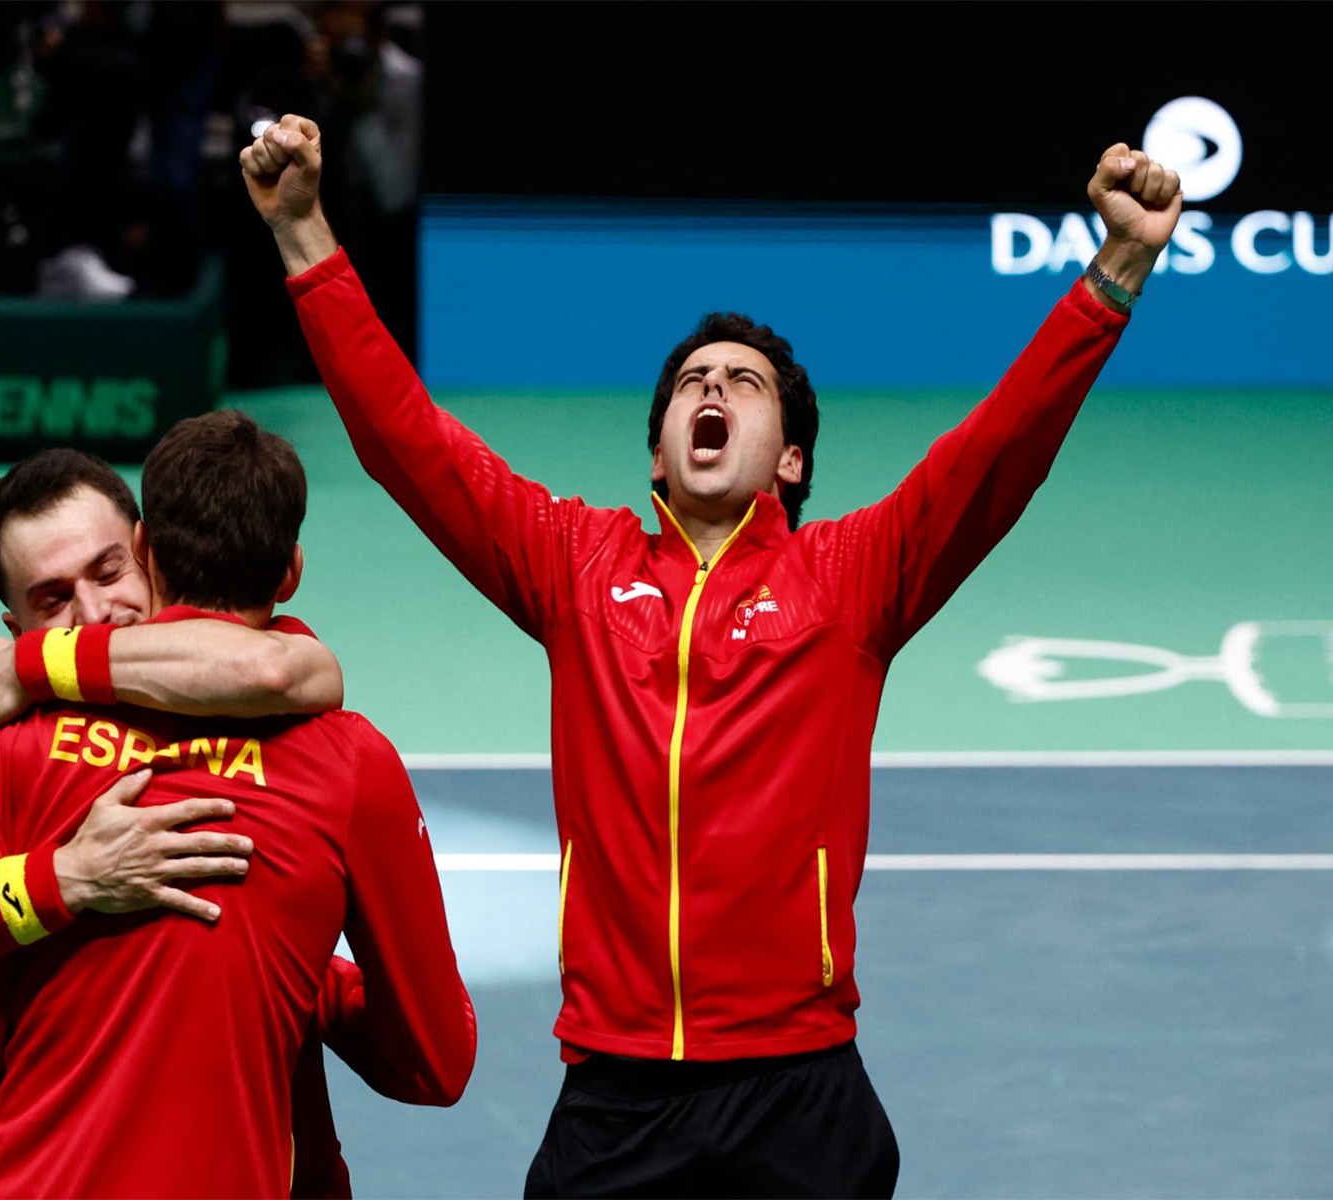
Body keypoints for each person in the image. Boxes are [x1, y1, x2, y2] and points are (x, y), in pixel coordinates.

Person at [241, 115, 1182, 1196]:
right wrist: (304, 232)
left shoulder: (850, 579)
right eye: (693, 380)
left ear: (790, 460)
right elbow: (407, 439)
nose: (712, 390)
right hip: (616, 1088)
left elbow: (1000, 448)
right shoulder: (575, 567)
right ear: (658, 450)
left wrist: (1116, 269)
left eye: (744, 382)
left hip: (797, 1088)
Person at [0, 410, 474, 1197]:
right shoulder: (350, 764)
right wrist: (304, 975)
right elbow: (434, 1063)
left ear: (145, 552)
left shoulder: (9, 747)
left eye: (105, 574)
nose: (92, 614)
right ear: (291, 571)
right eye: (54, 597)